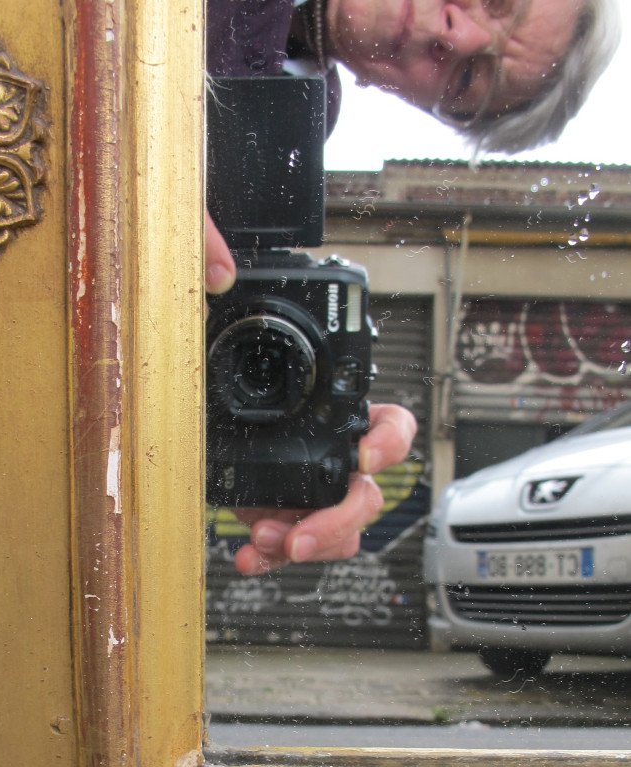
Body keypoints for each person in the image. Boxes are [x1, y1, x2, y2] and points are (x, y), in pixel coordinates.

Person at [206, 0, 620, 575]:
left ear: (434, 110)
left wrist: (288, 414)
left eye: (469, 78)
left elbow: (200, 297)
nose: (460, 34)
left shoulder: (303, 115)